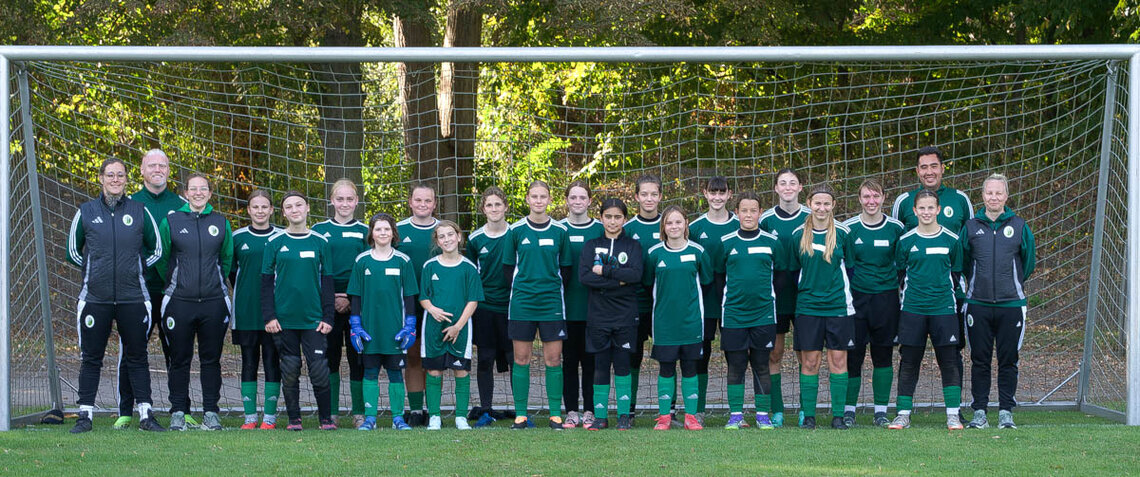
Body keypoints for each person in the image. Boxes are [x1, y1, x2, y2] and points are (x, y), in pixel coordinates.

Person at [66, 157, 165, 433]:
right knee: (91, 357)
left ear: (126, 180)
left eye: (120, 175)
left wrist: (134, 270)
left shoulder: (139, 210)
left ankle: (146, 414)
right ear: (101, 178)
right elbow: (72, 252)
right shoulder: (85, 211)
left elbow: (156, 249)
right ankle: (85, 415)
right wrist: (94, 269)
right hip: (94, 298)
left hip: (133, 297)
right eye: (110, 175)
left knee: (137, 355)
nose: (115, 180)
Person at [890, 146, 973, 420]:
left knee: (950, 359)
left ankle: (953, 413)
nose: (929, 171)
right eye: (923, 167)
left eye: (933, 166)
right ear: (915, 210)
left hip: (945, 306)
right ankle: (902, 413)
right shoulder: (905, 232)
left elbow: (958, 268)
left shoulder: (953, 228)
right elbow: (900, 269)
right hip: (913, 307)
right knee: (909, 360)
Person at [155, 173, 233, 431]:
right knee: (179, 359)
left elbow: (227, 259)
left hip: (213, 301)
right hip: (179, 302)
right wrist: (178, 284)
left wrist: (214, 284)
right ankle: (178, 411)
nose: (198, 193)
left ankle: (211, 412)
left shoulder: (221, 223)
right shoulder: (172, 220)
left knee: (211, 359)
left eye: (203, 189)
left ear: (210, 193)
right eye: (193, 189)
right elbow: (163, 259)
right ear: (186, 193)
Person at [961, 174, 1036, 430]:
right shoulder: (971, 227)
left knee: (1008, 360)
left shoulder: (1019, 225)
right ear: (982, 196)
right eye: (989, 193)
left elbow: (1028, 263)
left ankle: (1006, 412)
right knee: (979, 360)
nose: (993, 197)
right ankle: (979, 412)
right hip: (978, 305)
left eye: (998, 193)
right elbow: (962, 261)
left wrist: (1009, 285)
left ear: (1006, 196)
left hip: (1011, 305)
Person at [119, 148, 185, 429]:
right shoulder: (130, 202)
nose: (158, 169)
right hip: (137, 292)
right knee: (133, 350)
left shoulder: (182, 204)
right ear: (142, 170)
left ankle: (180, 409)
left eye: (163, 165)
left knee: (177, 351)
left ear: (169, 170)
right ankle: (125, 409)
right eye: (152, 165)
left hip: (175, 292)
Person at [261, 191, 336, 431]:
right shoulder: (274, 243)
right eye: (289, 207)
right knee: (290, 370)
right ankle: (294, 419)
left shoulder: (320, 242)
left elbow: (327, 282)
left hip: (314, 320)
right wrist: (269, 316)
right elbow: (264, 284)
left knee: (319, 370)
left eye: (299, 205)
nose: (295, 210)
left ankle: (325, 419)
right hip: (284, 321)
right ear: (283, 212)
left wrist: (328, 316)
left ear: (307, 208)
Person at [504, 180, 573, 430]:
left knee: (554, 359)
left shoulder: (559, 231)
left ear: (550, 200)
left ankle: (555, 414)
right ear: (527, 199)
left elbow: (565, 269)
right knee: (521, 358)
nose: (538, 201)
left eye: (543, 196)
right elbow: (507, 268)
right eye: (534, 196)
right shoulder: (516, 231)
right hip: (522, 303)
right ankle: (521, 414)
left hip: (551, 302)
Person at [790, 184, 855, 430]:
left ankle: (838, 416)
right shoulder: (798, 235)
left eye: (826, 203)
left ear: (833, 205)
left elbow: (851, 268)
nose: (822, 207)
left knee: (838, 361)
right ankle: (809, 416)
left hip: (838, 306)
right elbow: (793, 270)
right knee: (810, 362)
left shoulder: (844, 233)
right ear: (809, 203)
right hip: (808, 307)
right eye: (817, 203)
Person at [840, 179, 905, 427]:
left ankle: (880, 411)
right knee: (852, 356)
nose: (871, 201)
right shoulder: (848, 228)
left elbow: (901, 263)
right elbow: (845, 265)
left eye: (875, 196)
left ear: (884, 198)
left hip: (886, 299)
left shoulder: (896, 228)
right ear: (859, 199)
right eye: (866, 196)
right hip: (856, 300)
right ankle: (848, 411)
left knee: (883, 354)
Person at [346, 213, 418, 431]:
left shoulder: (403, 261)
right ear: (372, 233)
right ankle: (370, 418)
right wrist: (355, 325)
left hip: (395, 329)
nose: (383, 233)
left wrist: (410, 325)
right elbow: (355, 296)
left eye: (387, 229)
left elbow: (409, 296)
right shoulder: (362, 261)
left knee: (396, 373)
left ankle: (398, 418)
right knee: (369, 372)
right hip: (369, 329)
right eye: (378, 229)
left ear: (393, 233)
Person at [719, 191, 784, 430]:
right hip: (734, 315)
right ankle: (735, 415)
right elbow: (718, 276)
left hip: (764, 314)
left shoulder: (771, 242)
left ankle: (762, 414)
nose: (748, 214)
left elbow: (781, 276)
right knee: (736, 365)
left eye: (753, 210)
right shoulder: (726, 242)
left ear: (760, 213)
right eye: (744, 210)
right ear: (736, 213)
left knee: (761, 364)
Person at [643, 205, 711, 431]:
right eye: (669, 223)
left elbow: (707, 282)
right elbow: (647, 284)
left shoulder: (698, 252)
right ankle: (664, 417)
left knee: (690, 368)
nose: (674, 226)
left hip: (691, 322)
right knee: (666, 369)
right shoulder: (654, 254)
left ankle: (690, 416)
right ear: (663, 227)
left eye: (678, 222)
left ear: (686, 225)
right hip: (664, 323)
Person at [579, 198, 643, 430]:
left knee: (624, 364)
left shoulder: (633, 246)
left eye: (617, 217)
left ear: (624, 219)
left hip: (625, 316)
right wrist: (620, 279)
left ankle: (624, 416)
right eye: (608, 216)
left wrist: (605, 272)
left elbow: (636, 276)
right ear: (601, 218)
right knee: (601, 365)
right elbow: (585, 277)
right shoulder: (591, 245)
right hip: (598, 316)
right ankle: (600, 416)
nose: (613, 221)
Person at [312, 179, 369, 428]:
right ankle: (331, 412)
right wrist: (332, 297)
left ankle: (359, 412)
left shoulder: (367, 231)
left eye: (349, 199)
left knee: (358, 358)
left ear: (356, 201)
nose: (344, 203)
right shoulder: (318, 230)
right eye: (340, 199)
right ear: (332, 201)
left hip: (358, 303)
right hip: (327, 304)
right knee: (330, 358)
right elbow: (313, 268)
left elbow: (371, 267)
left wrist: (349, 296)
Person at [419, 220, 485, 430]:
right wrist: (432, 309)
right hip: (433, 328)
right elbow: (423, 297)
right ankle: (435, 417)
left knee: (461, 371)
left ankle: (460, 417)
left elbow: (473, 300)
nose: (447, 239)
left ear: (458, 237)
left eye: (450, 234)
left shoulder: (468, 268)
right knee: (434, 372)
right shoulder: (430, 266)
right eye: (442, 236)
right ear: (437, 241)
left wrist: (458, 325)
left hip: (461, 328)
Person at [758, 168, 809, 427]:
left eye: (793, 183)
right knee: (774, 354)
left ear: (801, 188)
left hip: (805, 297)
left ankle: (805, 409)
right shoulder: (765, 219)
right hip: (775, 297)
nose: (788, 187)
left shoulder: (813, 217)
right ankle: (776, 409)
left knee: (805, 355)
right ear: (776, 188)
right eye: (782, 183)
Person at [231, 189, 282, 430]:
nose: (260, 211)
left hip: (275, 313)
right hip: (246, 310)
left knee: (273, 361)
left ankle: (270, 418)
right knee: (249, 362)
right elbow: (231, 271)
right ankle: (250, 417)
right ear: (248, 210)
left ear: (272, 210)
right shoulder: (237, 237)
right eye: (255, 207)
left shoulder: (282, 236)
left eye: (265, 207)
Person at [687, 176, 737, 422]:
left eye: (722, 192)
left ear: (729, 194)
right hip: (704, 299)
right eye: (712, 192)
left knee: (734, 355)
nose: (717, 197)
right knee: (701, 355)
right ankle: (699, 409)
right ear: (705, 194)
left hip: (733, 300)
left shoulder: (740, 224)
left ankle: (735, 410)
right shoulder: (695, 228)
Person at [465, 187, 515, 427]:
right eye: (489, 205)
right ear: (483, 209)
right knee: (484, 358)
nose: (494, 209)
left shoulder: (516, 234)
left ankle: (522, 409)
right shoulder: (475, 239)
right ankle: (485, 409)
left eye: (498, 204)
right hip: (485, 307)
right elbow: (473, 275)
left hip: (512, 305)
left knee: (514, 357)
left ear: (505, 206)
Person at [560, 180, 604, 428]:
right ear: (566, 200)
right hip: (565, 308)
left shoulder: (600, 229)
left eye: (582, 197)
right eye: (573, 197)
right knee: (568, 362)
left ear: (589, 201)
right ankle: (571, 411)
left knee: (592, 362)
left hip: (595, 310)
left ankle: (590, 410)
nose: (577, 202)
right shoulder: (557, 229)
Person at [396, 183, 440, 426]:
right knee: (413, 356)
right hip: (408, 303)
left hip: (438, 303)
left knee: (433, 358)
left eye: (428, 201)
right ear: (410, 202)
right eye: (418, 200)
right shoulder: (398, 230)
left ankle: (433, 410)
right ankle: (415, 410)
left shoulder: (444, 230)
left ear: (434, 203)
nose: (423, 205)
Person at [623, 174, 663, 416]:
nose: (649, 198)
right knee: (632, 356)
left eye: (654, 194)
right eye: (644, 194)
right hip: (634, 303)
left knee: (667, 356)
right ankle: (629, 408)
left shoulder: (671, 224)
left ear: (660, 196)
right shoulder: (627, 230)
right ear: (636, 196)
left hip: (663, 304)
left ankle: (668, 410)